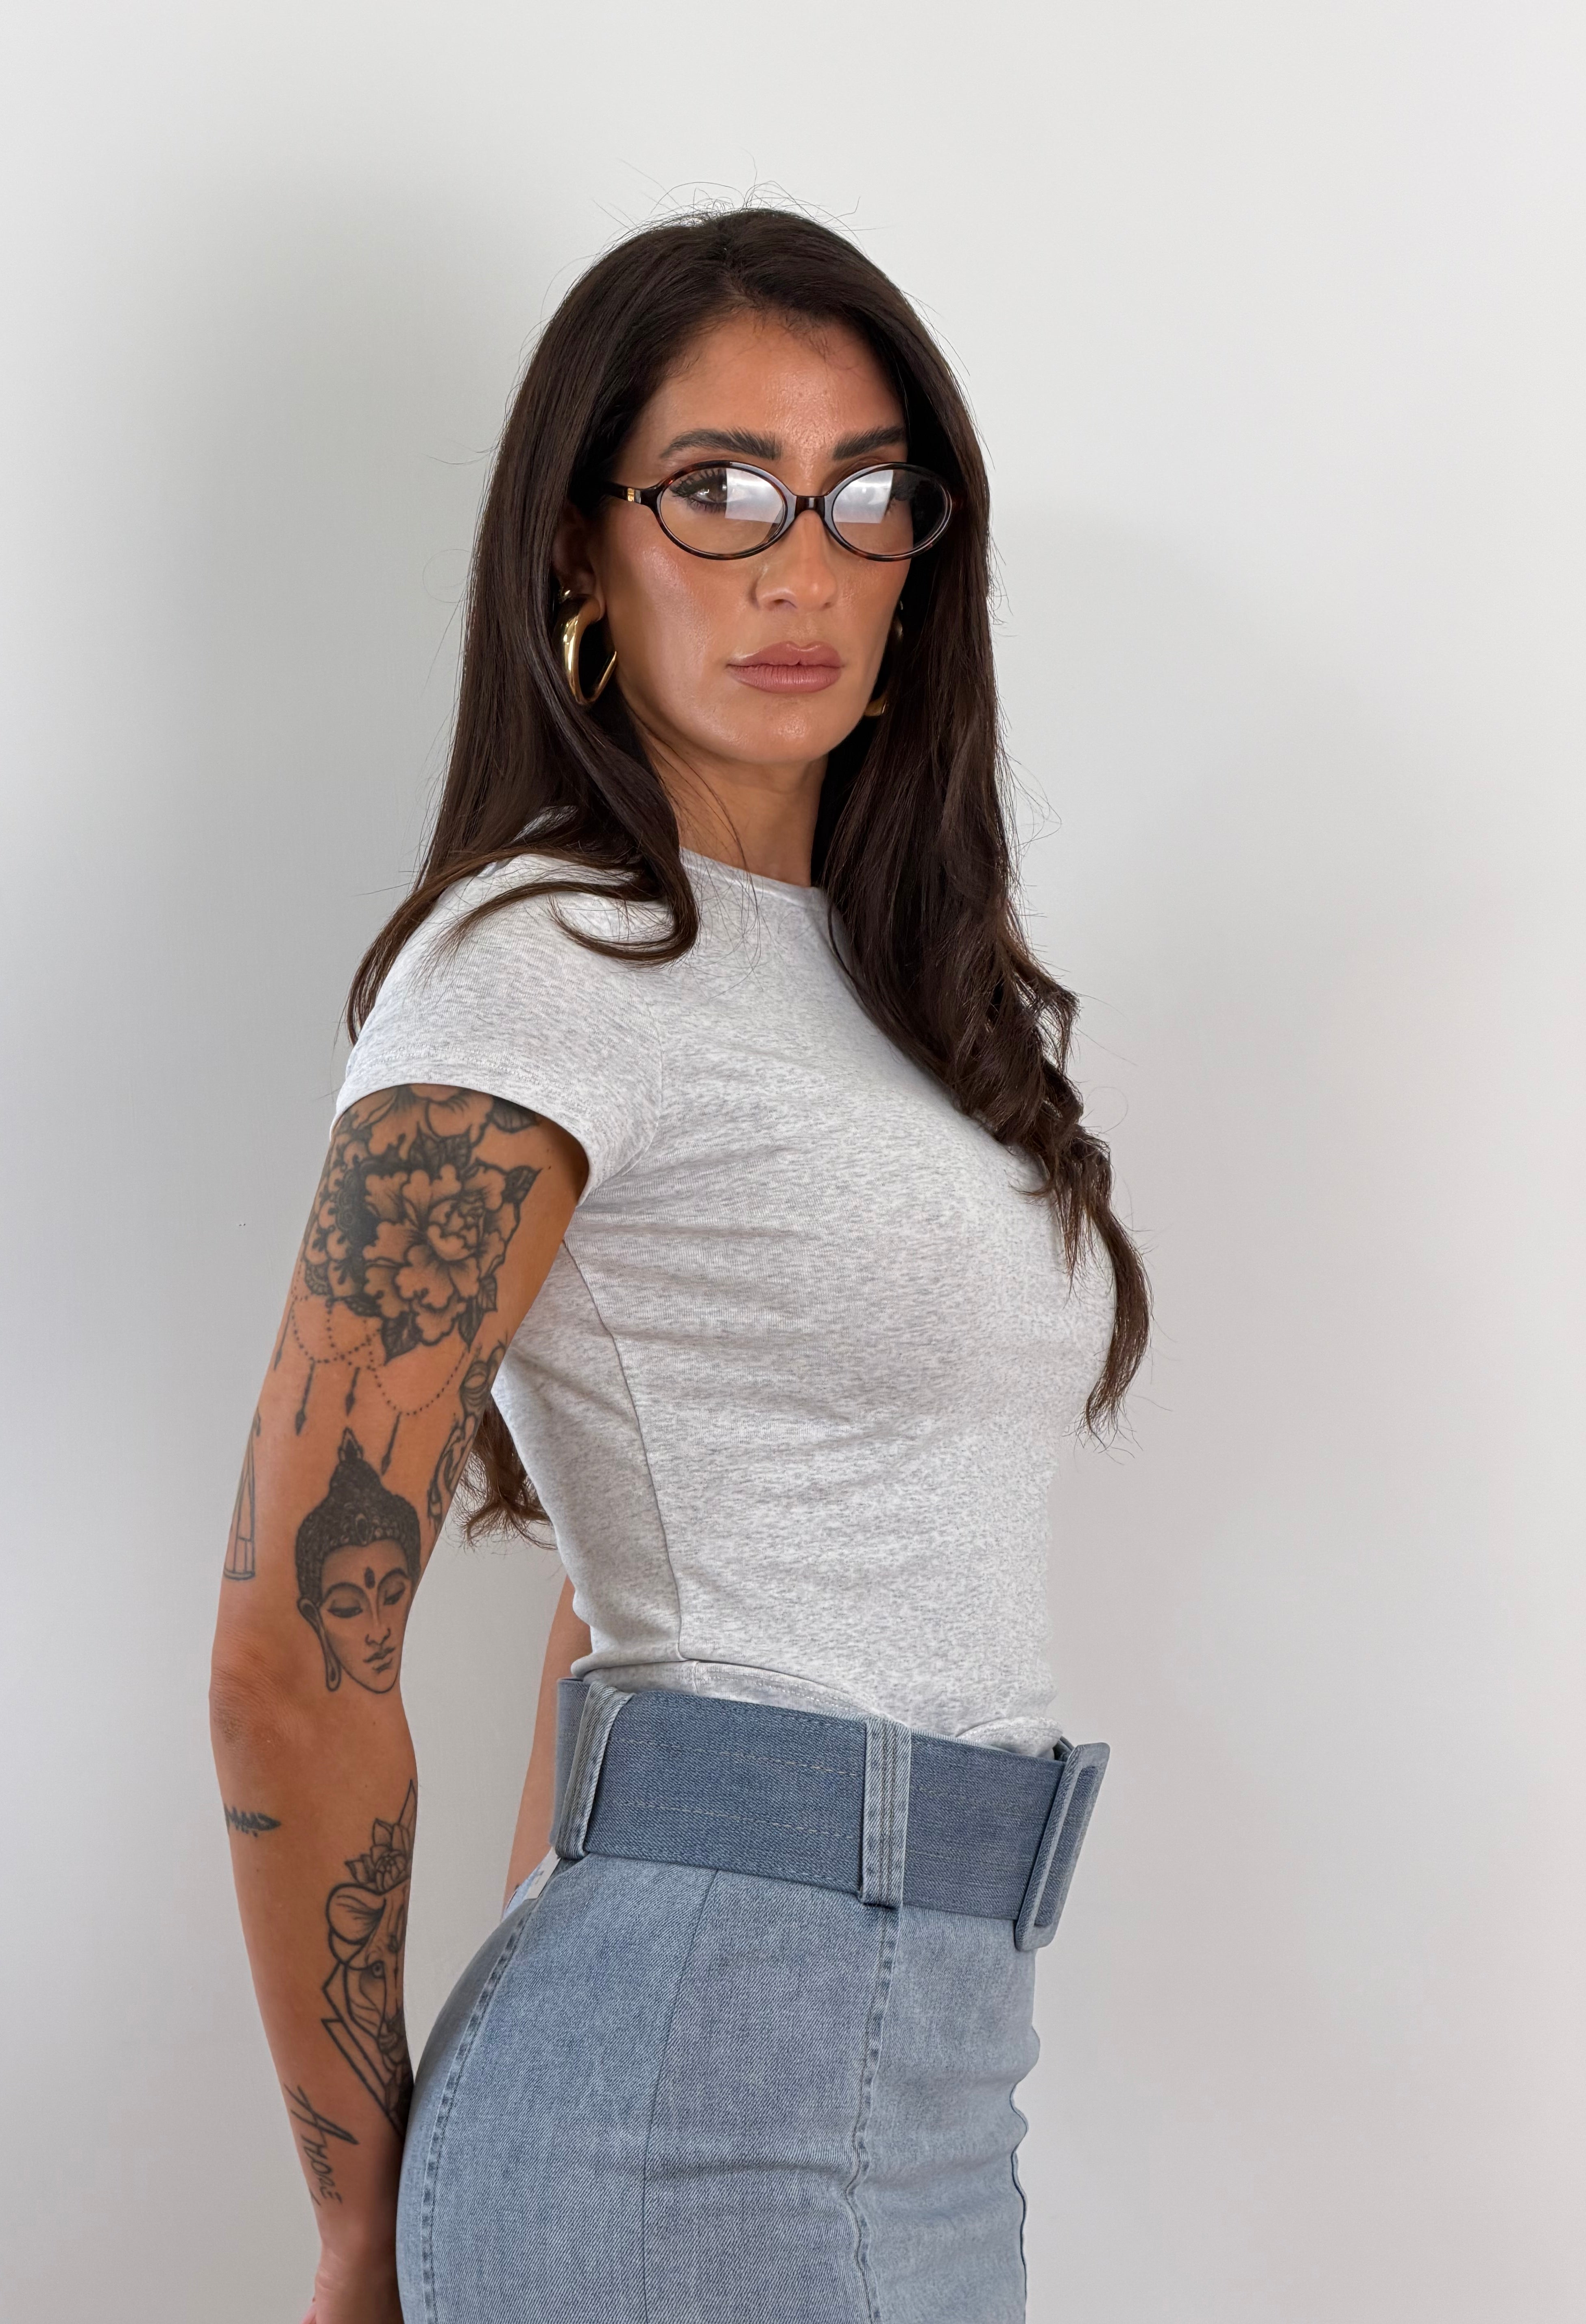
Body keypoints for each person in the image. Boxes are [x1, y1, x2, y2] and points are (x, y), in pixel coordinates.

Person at [208, 205, 1148, 2324]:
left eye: (865, 494)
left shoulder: (899, 994)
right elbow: (291, 1645)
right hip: (693, 2081)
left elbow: (623, 1585)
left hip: (932, 2065)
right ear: (580, 546)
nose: (800, 565)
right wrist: (361, 2222)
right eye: (719, 491)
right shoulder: (537, 963)